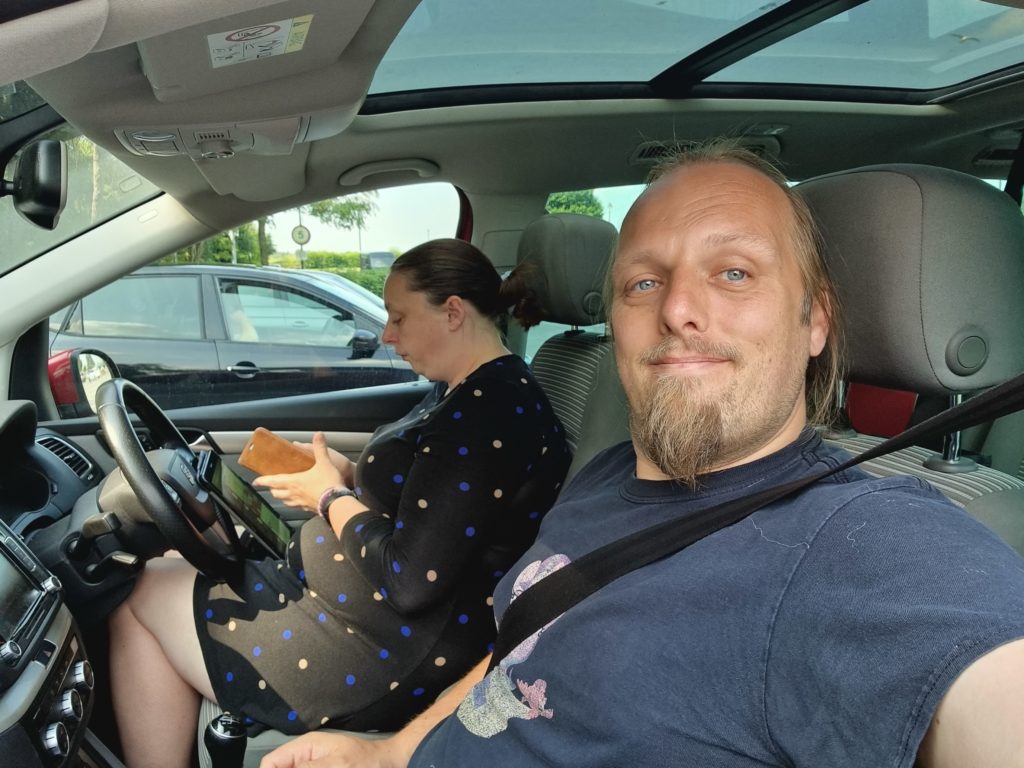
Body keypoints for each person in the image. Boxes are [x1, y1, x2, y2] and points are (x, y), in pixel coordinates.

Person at [261, 140, 1024, 768]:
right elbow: (523, 653)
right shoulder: (608, 474)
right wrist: (390, 754)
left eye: (734, 272)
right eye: (643, 281)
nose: (678, 308)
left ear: (814, 320)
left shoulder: (862, 543)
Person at [108, 239, 571, 768]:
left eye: (398, 316)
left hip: (388, 648)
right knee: (166, 566)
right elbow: (435, 497)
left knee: (137, 595)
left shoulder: (493, 409)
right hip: (353, 611)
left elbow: (412, 582)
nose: (386, 333)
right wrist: (348, 477)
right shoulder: (461, 388)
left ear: (453, 312)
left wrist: (329, 496)